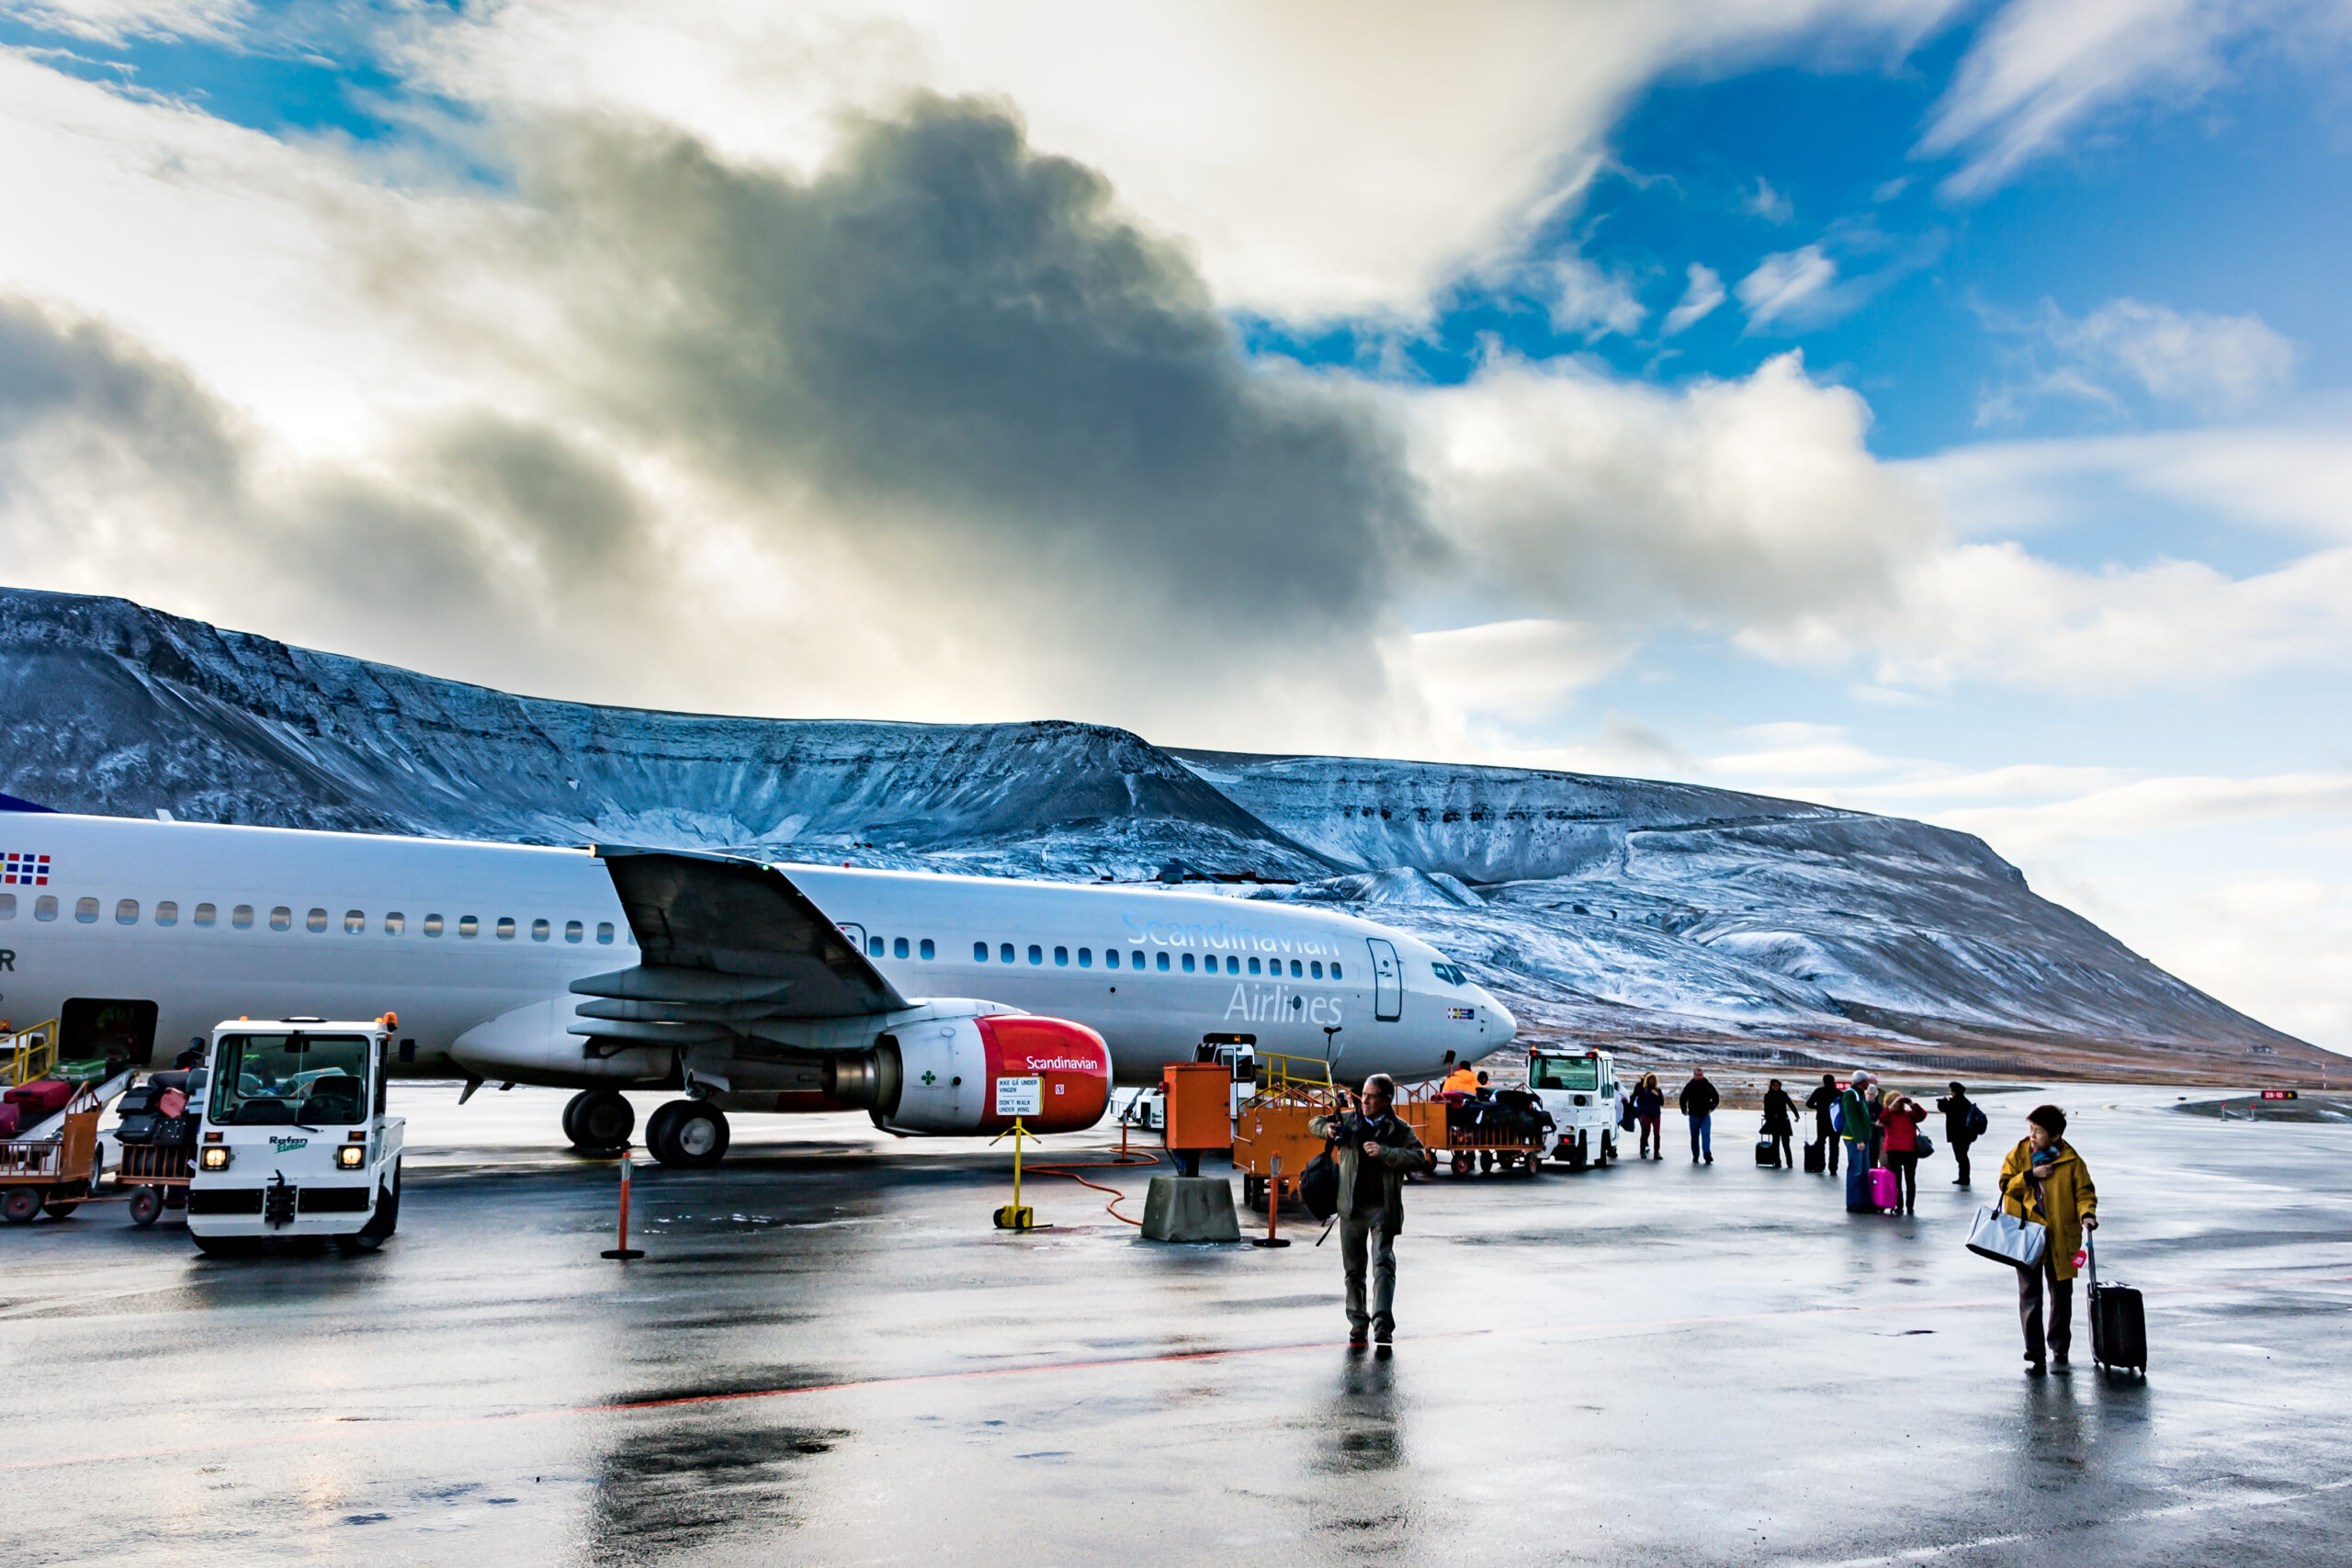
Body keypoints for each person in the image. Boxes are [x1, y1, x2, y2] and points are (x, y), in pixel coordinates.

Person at [1308, 1073, 1430, 1348]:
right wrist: (1326, 1130)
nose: (1364, 1100)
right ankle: (1357, 1323)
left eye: (1372, 1096)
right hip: (1350, 1208)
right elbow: (1314, 1122)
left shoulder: (1399, 1129)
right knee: (1353, 1271)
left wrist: (1385, 1152)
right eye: (1363, 1094)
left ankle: (1383, 1326)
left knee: (1383, 1266)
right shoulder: (1349, 1120)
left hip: (1382, 1210)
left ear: (1387, 1100)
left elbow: (1419, 1158)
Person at [1998, 1104, 2098, 1375]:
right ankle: (2034, 1350)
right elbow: (2005, 1185)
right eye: (2030, 1129)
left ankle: (2059, 1346)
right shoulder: (2019, 1153)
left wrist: (2087, 1214)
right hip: (2027, 1235)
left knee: (2061, 1295)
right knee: (2030, 1294)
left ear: (2055, 1136)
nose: (2032, 1135)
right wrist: (2031, 1176)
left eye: (2038, 1131)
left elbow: (2084, 1192)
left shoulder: (2071, 1161)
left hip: (2059, 1236)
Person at [1878, 1092, 1928, 1214]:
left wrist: (1912, 1104)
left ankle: (1909, 1206)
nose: (1898, 1105)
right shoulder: (1888, 1115)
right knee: (1897, 1180)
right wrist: (1891, 1106)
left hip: (1910, 1151)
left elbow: (1922, 1115)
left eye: (1900, 1103)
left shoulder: (1909, 1115)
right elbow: (1882, 1119)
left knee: (1909, 1180)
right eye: (1895, 1102)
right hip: (1894, 1151)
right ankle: (1899, 1205)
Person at [1838, 1071, 1877, 1212]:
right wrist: (1859, 1139)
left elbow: (1862, 1118)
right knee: (1856, 1171)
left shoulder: (1859, 1094)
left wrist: (1874, 1125)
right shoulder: (1850, 1095)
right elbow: (1852, 1118)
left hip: (1862, 1138)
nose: (1869, 1084)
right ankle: (1853, 1202)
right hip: (1854, 1139)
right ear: (1862, 1081)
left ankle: (1865, 1202)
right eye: (1868, 1081)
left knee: (1864, 1171)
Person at [1936, 1081, 1983, 1187]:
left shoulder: (1956, 1103)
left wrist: (1942, 1102)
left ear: (1954, 1092)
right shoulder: (1965, 1102)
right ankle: (1964, 1177)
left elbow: (1943, 1108)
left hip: (1959, 1135)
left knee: (1961, 1157)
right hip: (1967, 1135)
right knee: (1962, 1156)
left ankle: (1964, 1178)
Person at [1679, 1067, 1720, 1164]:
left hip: (1705, 1115)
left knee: (1706, 1134)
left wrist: (1712, 1108)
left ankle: (1707, 1154)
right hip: (1693, 1115)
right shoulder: (1690, 1086)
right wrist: (1684, 1110)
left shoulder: (1708, 1086)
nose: (1699, 1077)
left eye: (1701, 1075)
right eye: (1697, 1075)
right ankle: (1695, 1155)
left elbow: (1716, 1097)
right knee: (1694, 1136)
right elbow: (1683, 1098)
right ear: (1694, 1075)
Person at [1804, 1073, 1841, 1174]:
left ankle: (1820, 1164)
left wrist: (1819, 1108)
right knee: (1834, 1146)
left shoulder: (1819, 1091)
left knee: (1821, 1143)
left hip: (1821, 1121)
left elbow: (1809, 1104)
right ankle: (1833, 1168)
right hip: (1834, 1122)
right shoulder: (1838, 1093)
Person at [1760, 1077, 1797, 1169]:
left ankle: (1789, 1163)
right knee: (1775, 1143)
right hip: (1774, 1122)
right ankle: (1777, 1162)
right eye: (1774, 1085)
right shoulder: (1768, 1095)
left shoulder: (1783, 1094)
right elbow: (1766, 1108)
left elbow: (1790, 1104)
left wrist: (1796, 1115)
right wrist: (1768, 1118)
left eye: (1777, 1085)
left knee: (1786, 1144)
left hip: (1783, 1121)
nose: (1776, 1087)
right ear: (1771, 1086)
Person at [1632, 1072, 1665, 1160]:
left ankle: (1657, 1152)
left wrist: (1657, 1095)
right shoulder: (1644, 1090)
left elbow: (1661, 1102)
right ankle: (1642, 1150)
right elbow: (1639, 1101)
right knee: (1646, 1132)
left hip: (1656, 1114)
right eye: (1650, 1080)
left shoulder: (1658, 1090)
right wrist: (1644, 1109)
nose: (1652, 1082)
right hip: (1646, 1114)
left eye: (1653, 1080)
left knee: (1657, 1133)